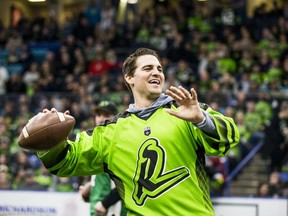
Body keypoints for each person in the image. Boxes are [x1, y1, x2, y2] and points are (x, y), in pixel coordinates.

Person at [37, 48, 239, 215]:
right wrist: (50, 139)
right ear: (129, 78)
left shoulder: (186, 111)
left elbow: (228, 139)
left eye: (159, 69)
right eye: (148, 68)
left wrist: (202, 120)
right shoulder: (109, 133)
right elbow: (65, 163)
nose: (157, 73)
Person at [79, 100, 125, 216]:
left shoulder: (119, 144)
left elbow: (128, 181)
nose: (100, 119)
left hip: (114, 211)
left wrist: (105, 203)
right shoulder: (98, 142)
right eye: (98, 115)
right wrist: (91, 188)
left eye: (106, 115)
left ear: (115, 118)